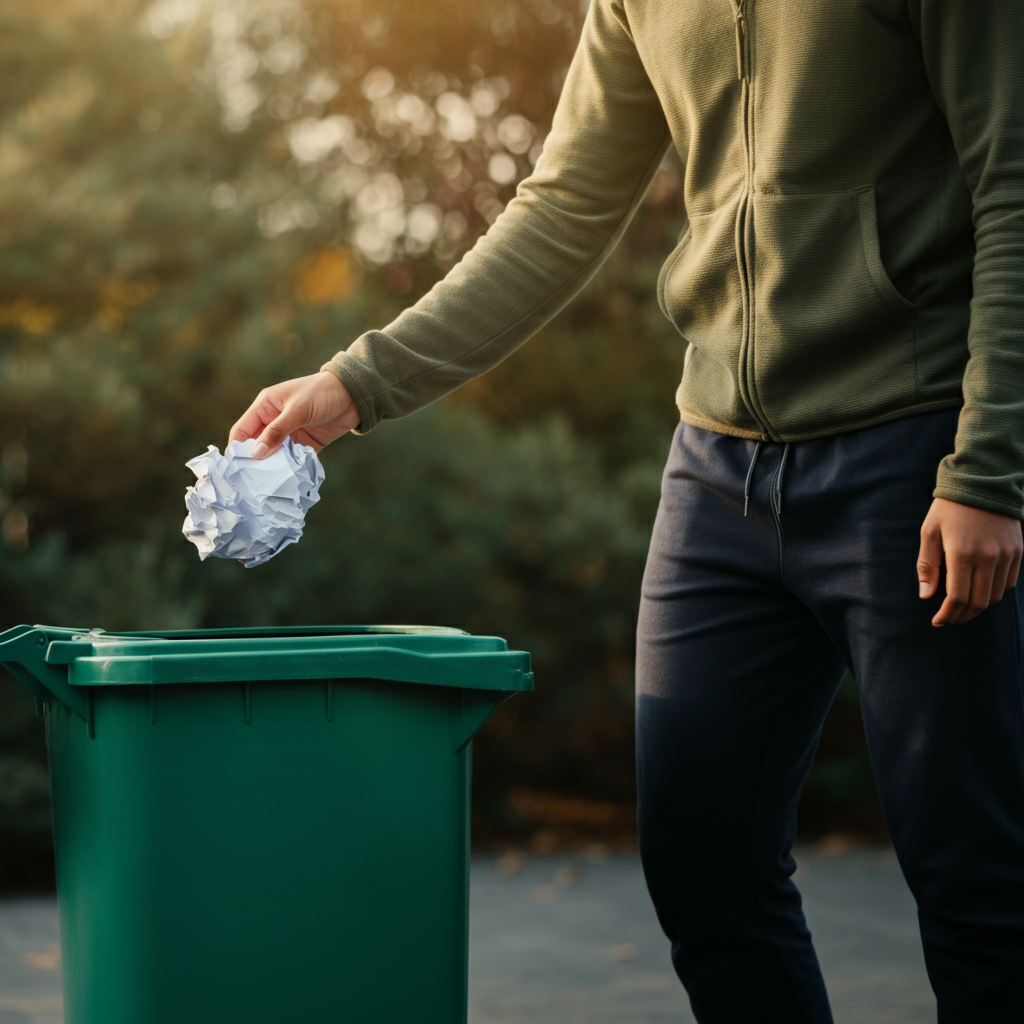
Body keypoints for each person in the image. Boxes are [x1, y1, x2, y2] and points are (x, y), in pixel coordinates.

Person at [230, 2, 1024, 1020]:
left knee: (975, 879)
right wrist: (354, 385)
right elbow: (561, 209)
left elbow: (1011, 185)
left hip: (908, 455)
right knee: (701, 866)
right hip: (716, 474)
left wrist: (988, 468)